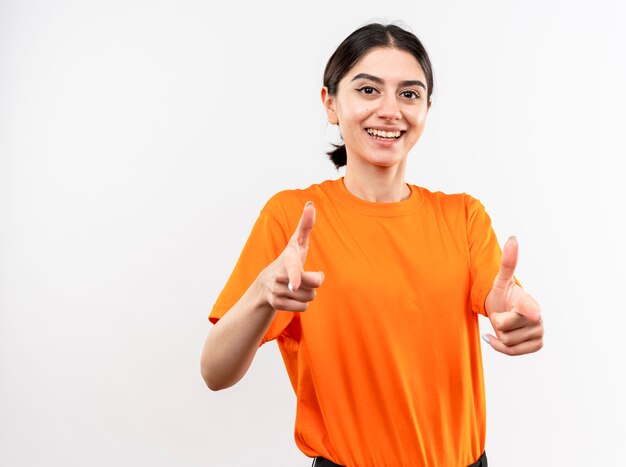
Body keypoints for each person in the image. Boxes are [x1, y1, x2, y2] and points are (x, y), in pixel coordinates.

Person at [200, 22, 544, 467]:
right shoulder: (292, 218)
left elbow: (502, 298)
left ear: (426, 108)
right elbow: (215, 372)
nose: (390, 110)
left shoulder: (462, 216)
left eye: (409, 94)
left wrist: (514, 313)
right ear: (330, 103)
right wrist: (263, 295)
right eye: (367, 90)